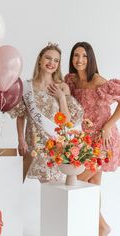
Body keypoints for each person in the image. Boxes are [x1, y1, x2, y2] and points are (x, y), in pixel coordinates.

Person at [65, 41, 120, 236]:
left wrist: (109, 125)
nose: (80, 60)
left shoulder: (98, 81)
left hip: (102, 141)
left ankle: (101, 227)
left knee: (75, 180)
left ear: (90, 59)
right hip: (85, 142)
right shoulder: (71, 81)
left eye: (84, 56)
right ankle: (98, 228)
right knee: (91, 187)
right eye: (76, 55)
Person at [9, 43, 83, 182]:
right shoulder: (26, 87)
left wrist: (61, 97)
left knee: (55, 189)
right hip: (34, 145)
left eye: (56, 60)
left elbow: (67, 122)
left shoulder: (62, 86)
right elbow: (20, 116)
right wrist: (21, 140)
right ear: (40, 60)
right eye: (48, 58)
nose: (52, 63)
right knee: (35, 189)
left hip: (56, 146)